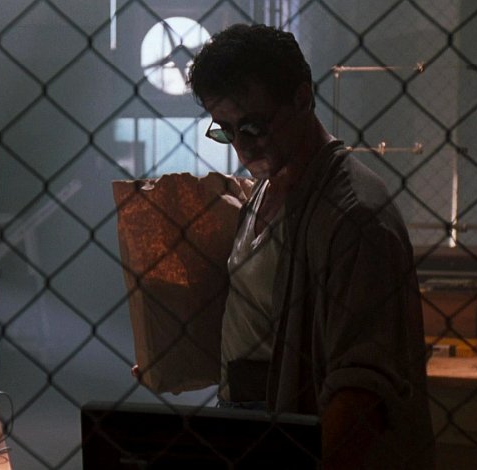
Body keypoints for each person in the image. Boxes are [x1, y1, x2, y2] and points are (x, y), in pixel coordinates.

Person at [185, 24, 435, 468]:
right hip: (250, 418)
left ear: (302, 98)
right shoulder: (266, 187)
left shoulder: (355, 215)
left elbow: (362, 390)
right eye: (225, 130)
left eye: (254, 126)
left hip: (302, 433)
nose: (241, 146)